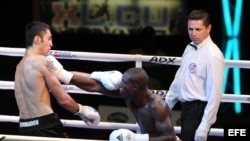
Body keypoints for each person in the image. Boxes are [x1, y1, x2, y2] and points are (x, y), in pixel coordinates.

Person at [47, 56, 180, 141]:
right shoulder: (128, 95)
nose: (119, 86)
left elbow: (170, 137)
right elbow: (94, 86)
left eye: (123, 84)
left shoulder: (157, 106)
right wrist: (62, 75)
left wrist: (136, 138)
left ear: (134, 87)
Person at [14, 21, 101, 138]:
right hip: (46, 126)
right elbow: (63, 99)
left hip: (24, 127)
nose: (51, 44)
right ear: (38, 39)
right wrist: (82, 110)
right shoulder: (43, 61)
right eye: (49, 39)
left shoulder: (18, 67)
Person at [164, 9, 225, 141]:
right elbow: (179, 79)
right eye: (190, 29)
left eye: (198, 29)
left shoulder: (213, 55)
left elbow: (215, 93)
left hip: (199, 111)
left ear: (208, 28)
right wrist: (166, 105)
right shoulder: (189, 47)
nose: (193, 33)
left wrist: (205, 125)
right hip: (187, 108)